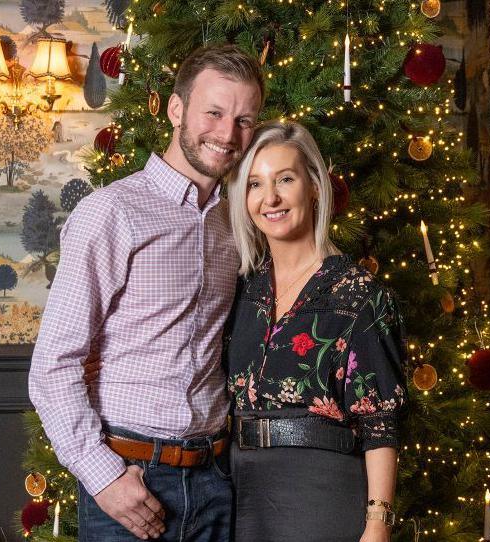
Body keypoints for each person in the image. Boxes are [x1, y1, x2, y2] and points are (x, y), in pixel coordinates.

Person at [28, 44, 263, 542]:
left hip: (216, 480)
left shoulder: (237, 221)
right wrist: (104, 478)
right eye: (214, 112)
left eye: (244, 120)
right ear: (176, 110)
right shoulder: (111, 213)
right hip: (133, 480)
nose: (227, 133)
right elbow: (54, 365)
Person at [225, 121, 406, 542]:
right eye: (255, 184)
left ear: (315, 187)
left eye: (285, 179)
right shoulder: (244, 288)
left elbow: (381, 420)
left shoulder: (360, 295)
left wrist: (377, 523)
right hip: (235, 489)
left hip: (317, 490)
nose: (270, 198)